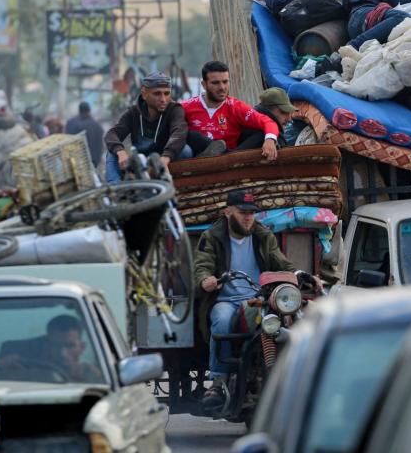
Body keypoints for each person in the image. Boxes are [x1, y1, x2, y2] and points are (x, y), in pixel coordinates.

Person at [194, 190, 321, 409]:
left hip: (257, 298)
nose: (248, 218)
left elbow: (280, 262)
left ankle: (287, 376)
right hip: (225, 299)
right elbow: (202, 264)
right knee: (222, 321)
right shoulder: (212, 237)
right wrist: (206, 279)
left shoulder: (263, 235)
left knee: (283, 322)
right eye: (242, 212)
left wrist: (303, 276)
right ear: (227, 212)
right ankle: (218, 381)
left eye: (251, 213)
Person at [182, 61, 281, 161]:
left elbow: (268, 122)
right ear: (204, 85)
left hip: (232, 156)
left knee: (262, 134)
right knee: (189, 134)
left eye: (225, 82)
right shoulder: (185, 107)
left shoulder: (236, 106)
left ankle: (228, 156)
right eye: (215, 83)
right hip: (199, 157)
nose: (222, 87)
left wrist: (270, 140)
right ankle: (220, 156)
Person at [104, 71, 189, 183]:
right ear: (144, 94)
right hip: (140, 161)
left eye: (167, 93)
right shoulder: (133, 112)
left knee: (186, 150)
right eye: (157, 94)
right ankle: (116, 189)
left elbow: (179, 132)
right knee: (112, 151)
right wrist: (120, 152)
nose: (163, 99)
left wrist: (165, 157)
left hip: (163, 158)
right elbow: (112, 134)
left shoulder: (174, 109)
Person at [65, 101, 105, 167]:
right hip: (94, 163)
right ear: (89, 110)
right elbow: (101, 146)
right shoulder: (97, 126)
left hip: (78, 164)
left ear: (79, 110)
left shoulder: (72, 123)